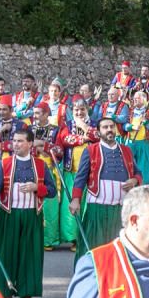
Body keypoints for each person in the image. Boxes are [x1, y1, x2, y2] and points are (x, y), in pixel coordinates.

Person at [0, 129, 55, 298]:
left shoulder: (41, 165)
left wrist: (37, 187)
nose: (16, 144)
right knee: (6, 252)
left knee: (30, 255)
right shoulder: (4, 164)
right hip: (9, 215)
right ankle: (4, 291)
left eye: (20, 141)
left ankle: (26, 293)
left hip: (32, 216)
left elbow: (51, 191)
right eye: (14, 141)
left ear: (30, 144)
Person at [70, 117, 140, 260]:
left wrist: (134, 180)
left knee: (118, 247)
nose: (109, 130)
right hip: (97, 208)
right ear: (99, 132)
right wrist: (76, 200)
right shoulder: (91, 150)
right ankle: (90, 277)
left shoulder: (126, 150)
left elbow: (138, 173)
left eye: (111, 127)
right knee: (94, 246)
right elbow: (80, 178)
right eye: (105, 127)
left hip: (120, 208)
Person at [55, 99, 98, 250]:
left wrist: (84, 126)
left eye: (82, 110)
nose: (79, 113)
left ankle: (85, 236)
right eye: (76, 110)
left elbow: (98, 136)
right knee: (70, 205)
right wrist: (84, 138)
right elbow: (65, 139)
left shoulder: (94, 123)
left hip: (90, 174)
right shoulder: (67, 125)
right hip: (71, 172)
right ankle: (73, 238)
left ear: (87, 109)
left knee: (87, 206)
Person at [29, 102, 64, 251]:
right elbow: (23, 145)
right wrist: (37, 147)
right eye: (34, 113)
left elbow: (59, 151)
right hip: (31, 169)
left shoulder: (56, 130)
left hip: (49, 170)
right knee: (31, 206)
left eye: (38, 113)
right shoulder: (29, 130)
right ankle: (31, 238)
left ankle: (49, 240)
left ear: (45, 114)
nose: (35, 116)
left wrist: (43, 144)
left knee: (49, 207)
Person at [122, 90, 149, 186]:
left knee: (144, 165)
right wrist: (131, 127)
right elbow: (124, 125)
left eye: (138, 98)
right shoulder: (130, 111)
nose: (135, 100)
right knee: (129, 164)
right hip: (131, 142)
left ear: (144, 100)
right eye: (134, 98)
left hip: (143, 142)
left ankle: (144, 185)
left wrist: (146, 122)